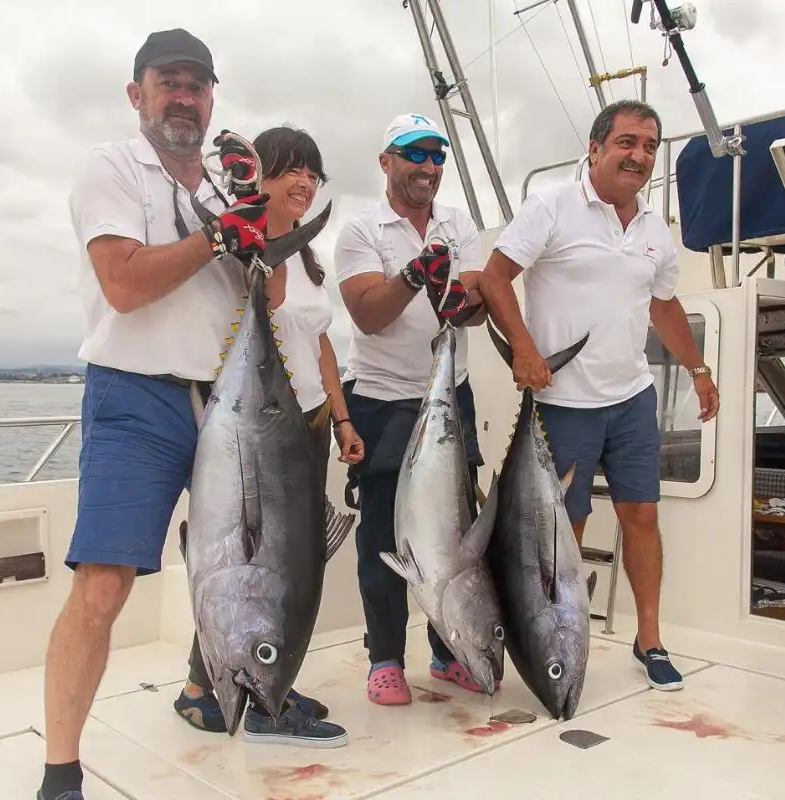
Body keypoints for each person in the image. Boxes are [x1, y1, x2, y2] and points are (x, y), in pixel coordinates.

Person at [38, 29, 345, 800]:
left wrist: (258, 226)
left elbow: (269, 295)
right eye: (167, 82)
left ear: (213, 98)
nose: (183, 97)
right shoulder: (112, 169)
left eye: (197, 85)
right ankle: (61, 771)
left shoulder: (222, 183)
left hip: (234, 405)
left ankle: (240, 687)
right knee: (105, 584)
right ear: (137, 93)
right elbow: (125, 286)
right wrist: (218, 234)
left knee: (260, 563)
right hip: (138, 399)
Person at [478, 99, 720, 693]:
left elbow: (662, 306)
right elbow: (493, 276)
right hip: (563, 402)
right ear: (595, 149)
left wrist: (698, 368)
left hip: (631, 397)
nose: (639, 155)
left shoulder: (655, 229)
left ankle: (650, 640)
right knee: (567, 529)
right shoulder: (551, 206)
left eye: (649, 146)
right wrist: (527, 349)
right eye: (627, 142)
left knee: (643, 516)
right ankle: (558, 641)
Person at [174, 124, 365, 735]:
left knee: (283, 560)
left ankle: (266, 677)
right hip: (254, 423)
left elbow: (321, 343)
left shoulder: (310, 258)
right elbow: (270, 302)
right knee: (240, 551)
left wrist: (341, 418)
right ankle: (210, 687)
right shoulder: (243, 243)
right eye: (294, 170)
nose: (307, 182)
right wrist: (260, 237)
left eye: (315, 173)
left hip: (304, 422)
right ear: (264, 175)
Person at [333, 113, 490, 707]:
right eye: (414, 154)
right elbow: (369, 314)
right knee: (382, 533)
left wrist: (461, 299)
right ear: (386, 162)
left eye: (437, 156)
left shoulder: (457, 223)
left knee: (450, 532)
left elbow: (473, 304)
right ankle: (386, 661)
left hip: (449, 393)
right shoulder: (360, 230)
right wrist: (413, 275)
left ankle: (448, 653)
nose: (428, 166)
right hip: (381, 399)